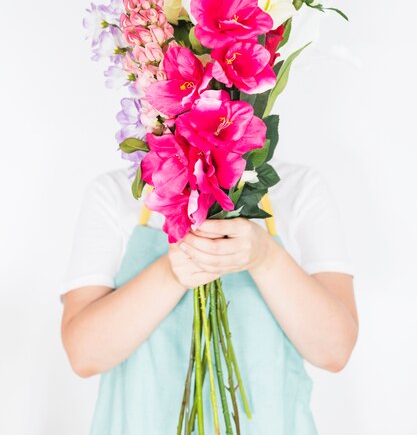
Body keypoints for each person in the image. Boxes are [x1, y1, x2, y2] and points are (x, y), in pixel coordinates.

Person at [60, 157, 358, 435]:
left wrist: (266, 257)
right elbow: (84, 356)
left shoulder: (296, 189)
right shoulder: (116, 194)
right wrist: (173, 271)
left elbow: (334, 351)